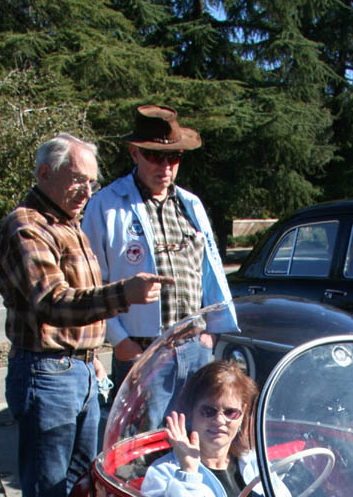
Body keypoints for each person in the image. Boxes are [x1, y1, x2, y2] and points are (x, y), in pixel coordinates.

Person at [0, 131, 174, 497]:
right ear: (44, 174)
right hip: (46, 373)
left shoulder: (69, 225)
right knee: (46, 494)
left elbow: (75, 309)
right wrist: (125, 294)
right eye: (77, 179)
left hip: (76, 370)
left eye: (91, 182)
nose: (85, 191)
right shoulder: (25, 227)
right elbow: (51, 300)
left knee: (78, 489)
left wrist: (94, 358)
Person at [81, 104, 236, 421]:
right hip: (142, 352)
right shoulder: (106, 206)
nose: (165, 166)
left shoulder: (190, 204)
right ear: (134, 153)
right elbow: (91, 283)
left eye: (173, 157)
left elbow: (210, 272)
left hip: (196, 348)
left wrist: (212, 334)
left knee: (196, 441)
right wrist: (120, 341)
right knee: (145, 448)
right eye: (154, 156)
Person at [141, 360, 290, 497]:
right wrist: (188, 472)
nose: (220, 421)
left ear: (242, 413)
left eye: (230, 412)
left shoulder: (253, 462)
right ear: (191, 411)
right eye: (208, 411)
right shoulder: (163, 472)